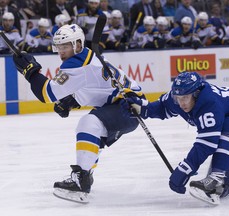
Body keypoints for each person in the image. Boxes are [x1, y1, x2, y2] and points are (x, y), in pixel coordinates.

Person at [12, 23, 143, 203]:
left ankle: (81, 179)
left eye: (65, 46)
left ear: (78, 44)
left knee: (89, 124)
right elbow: (93, 87)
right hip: (126, 104)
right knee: (93, 130)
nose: (61, 51)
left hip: (127, 107)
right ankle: (85, 175)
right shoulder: (86, 56)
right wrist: (71, 101)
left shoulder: (77, 64)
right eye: (58, 47)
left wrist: (30, 71)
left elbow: (46, 93)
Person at [121, 71, 229, 205]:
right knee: (219, 190)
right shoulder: (179, 96)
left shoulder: (210, 102)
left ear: (197, 94)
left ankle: (216, 177)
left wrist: (184, 169)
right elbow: (162, 107)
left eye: (185, 98)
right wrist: (141, 107)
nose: (181, 103)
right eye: (177, 98)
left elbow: (207, 143)